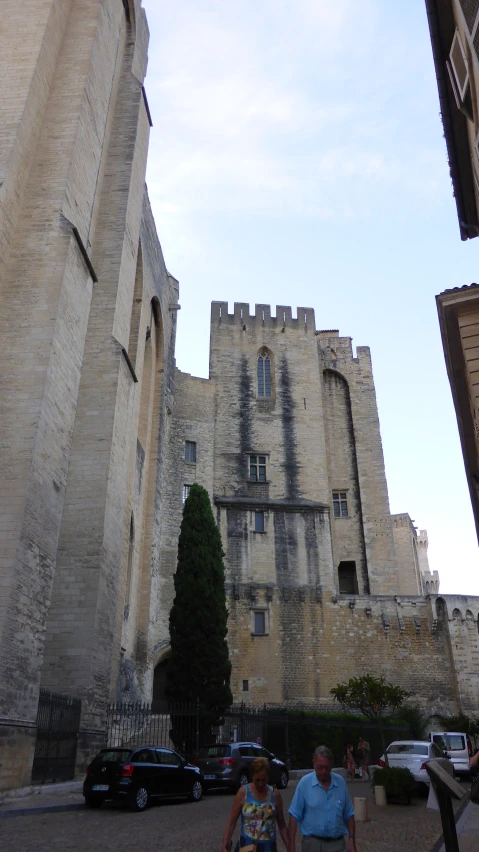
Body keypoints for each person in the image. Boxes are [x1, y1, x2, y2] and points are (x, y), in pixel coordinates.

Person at [288, 745, 356, 852]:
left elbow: (349, 813)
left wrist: (352, 840)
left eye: (327, 768)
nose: (324, 771)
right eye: (320, 767)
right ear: (314, 764)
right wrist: (291, 846)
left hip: (337, 844)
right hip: (312, 844)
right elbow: (293, 815)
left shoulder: (340, 783)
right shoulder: (305, 783)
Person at [221, 756, 289, 852]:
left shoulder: (275, 795)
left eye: (263, 780)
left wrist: (290, 848)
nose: (260, 784)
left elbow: (282, 825)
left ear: (268, 777)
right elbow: (231, 823)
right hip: (247, 847)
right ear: (252, 776)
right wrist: (224, 845)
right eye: (257, 780)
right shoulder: (243, 792)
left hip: (268, 847)